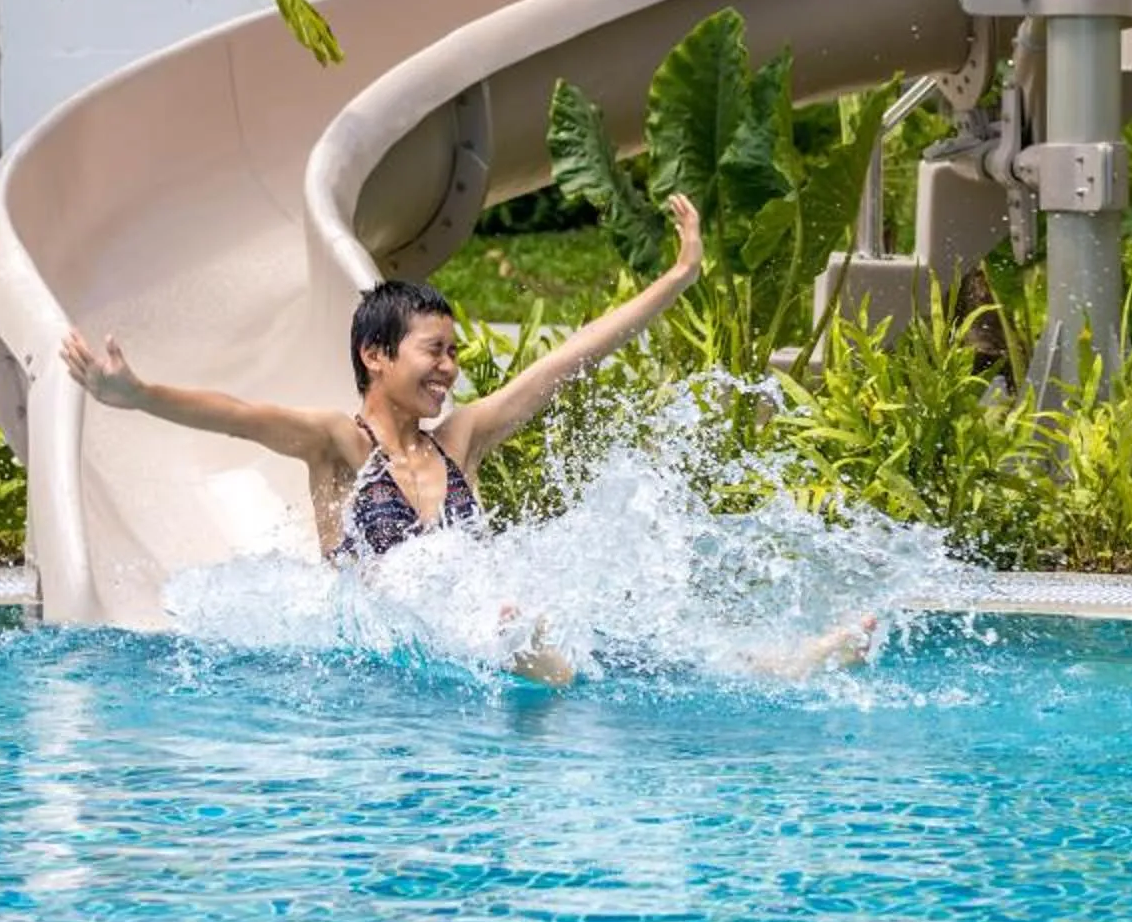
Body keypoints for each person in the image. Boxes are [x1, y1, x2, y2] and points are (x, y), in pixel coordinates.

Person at [59, 193, 875, 685]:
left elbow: (570, 356)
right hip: (407, 651)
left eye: (454, 353)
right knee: (522, 636)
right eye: (433, 351)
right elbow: (231, 411)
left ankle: (786, 663)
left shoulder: (464, 441)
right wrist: (134, 394)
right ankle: (531, 655)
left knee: (627, 643)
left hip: (492, 621)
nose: (450, 369)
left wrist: (678, 278)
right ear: (376, 356)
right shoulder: (335, 446)